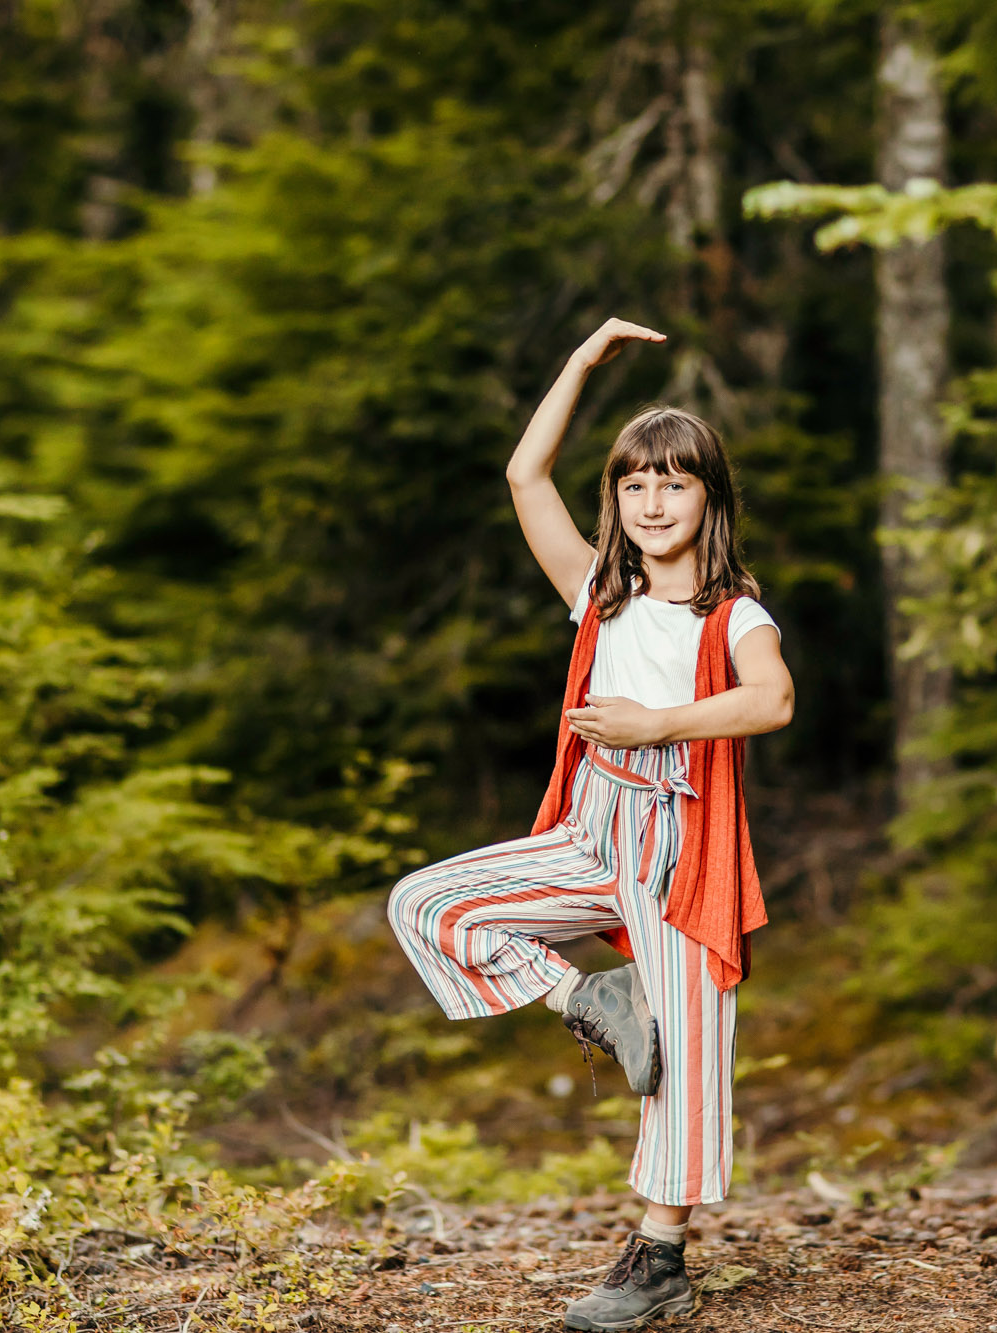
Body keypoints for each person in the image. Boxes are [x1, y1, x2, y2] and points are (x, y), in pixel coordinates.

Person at [387, 317, 794, 1331]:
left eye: (675, 482)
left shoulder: (730, 610)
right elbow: (527, 478)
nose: (652, 501)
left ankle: (658, 1254)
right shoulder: (595, 594)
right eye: (633, 483)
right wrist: (575, 363)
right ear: (616, 499)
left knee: (688, 1045)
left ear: (709, 500)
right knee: (430, 903)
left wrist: (657, 721)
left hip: (678, 832)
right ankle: (589, 1002)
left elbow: (771, 700)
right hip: (592, 822)